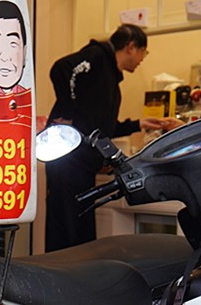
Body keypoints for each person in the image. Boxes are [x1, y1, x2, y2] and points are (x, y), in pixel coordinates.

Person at [44, 24, 183, 251]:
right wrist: (66, 114)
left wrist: (139, 124)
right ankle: (60, 278)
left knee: (81, 232)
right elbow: (61, 68)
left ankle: (80, 277)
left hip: (82, 166)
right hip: (68, 163)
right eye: (143, 53)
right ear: (131, 47)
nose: (141, 60)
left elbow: (101, 128)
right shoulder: (97, 58)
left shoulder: (109, 79)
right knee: (66, 231)